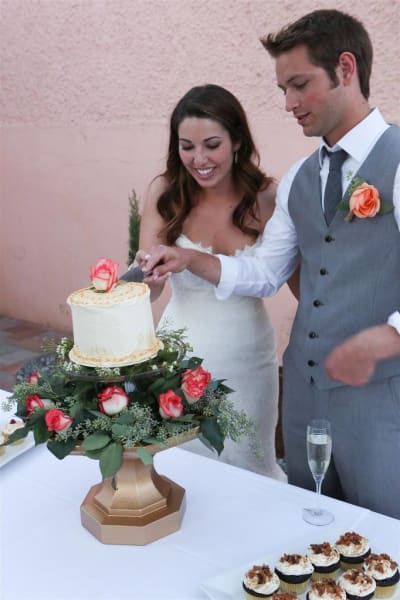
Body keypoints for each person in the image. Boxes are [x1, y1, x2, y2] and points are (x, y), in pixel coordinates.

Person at [138, 10, 400, 519]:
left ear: (346, 69)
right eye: (283, 89)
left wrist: (390, 333)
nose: (288, 104)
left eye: (299, 85)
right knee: (307, 523)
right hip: (304, 392)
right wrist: (190, 256)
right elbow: (262, 273)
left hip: (379, 395)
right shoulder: (302, 177)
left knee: (386, 531)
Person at [138, 84, 290, 479]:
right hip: (178, 357)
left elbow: (294, 281)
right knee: (180, 470)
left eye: (211, 144)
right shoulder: (165, 192)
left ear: (237, 140)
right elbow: (150, 290)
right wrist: (145, 273)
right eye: (187, 146)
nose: (199, 159)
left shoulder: (267, 197)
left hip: (249, 359)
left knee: (249, 463)